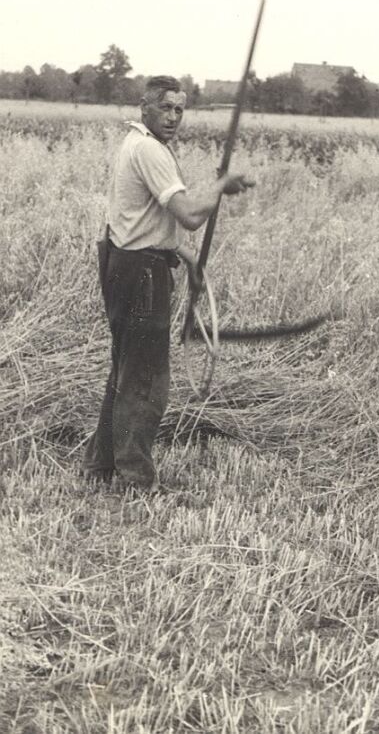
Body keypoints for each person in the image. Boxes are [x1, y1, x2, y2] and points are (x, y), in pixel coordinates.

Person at [81, 75, 254, 489]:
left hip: (129, 264)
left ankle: (99, 465)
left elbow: (144, 222)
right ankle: (135, 479)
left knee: (126, 371)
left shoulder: (142, 145)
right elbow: (191, 215)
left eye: (180, 109)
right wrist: (220, 186)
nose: (175, 117)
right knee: (145, 382)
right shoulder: (149, 151)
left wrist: (187, 255)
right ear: (144, 108)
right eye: (166, 108)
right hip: (141, 275)